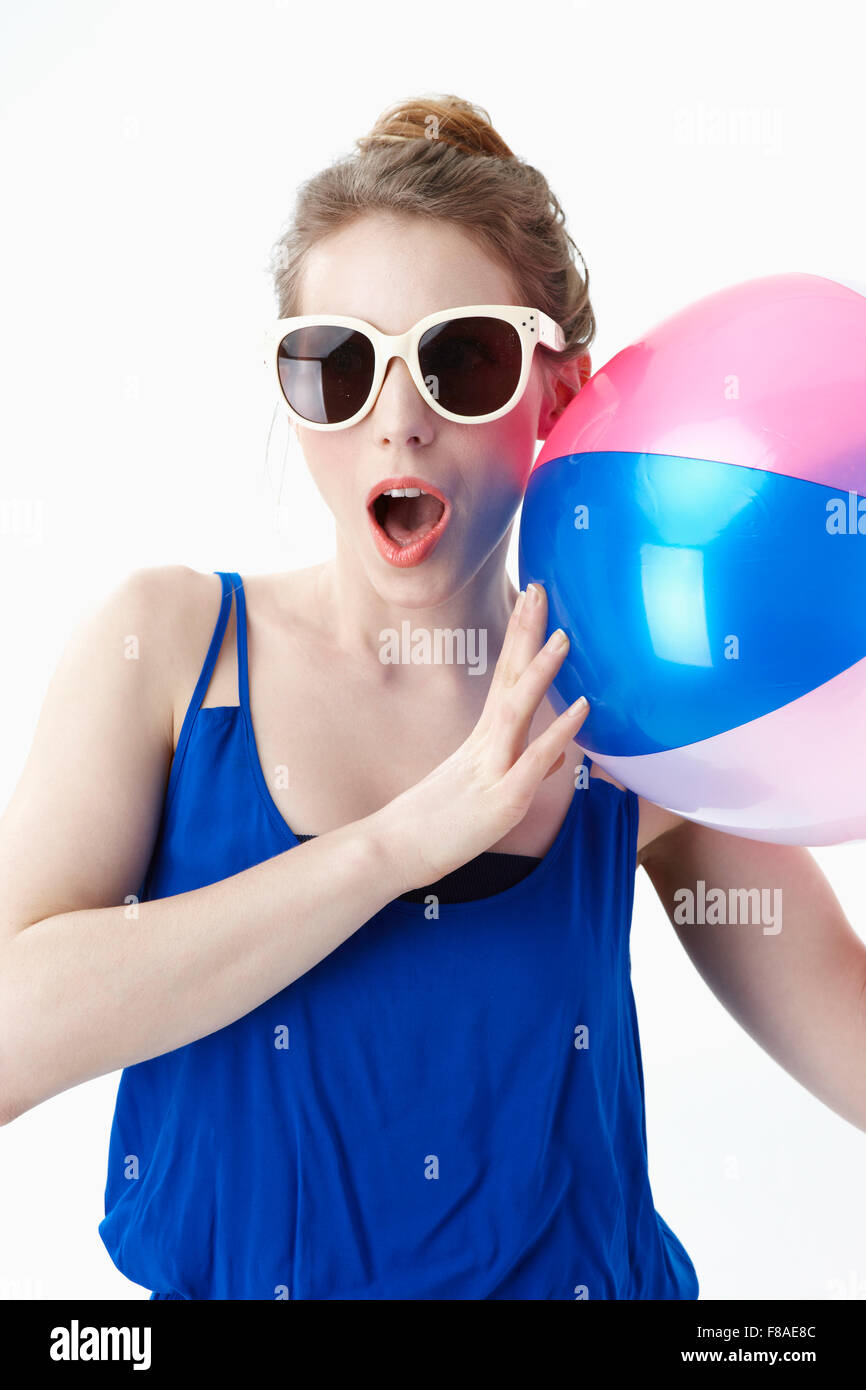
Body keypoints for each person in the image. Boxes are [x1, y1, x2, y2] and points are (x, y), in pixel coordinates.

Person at [0, 94, 699, 1300]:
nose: (398, 421)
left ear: (558, 392)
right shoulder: (170, 648)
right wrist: (392, 849)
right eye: (335, 365)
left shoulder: (632, 705)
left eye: (461, 358)